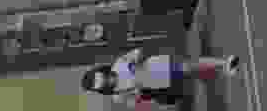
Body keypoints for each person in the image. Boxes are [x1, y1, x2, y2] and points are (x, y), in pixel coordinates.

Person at [77, 49, 236, 95]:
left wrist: (136, 62)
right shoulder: (118, 91)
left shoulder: (119, 64)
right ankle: (222, 68)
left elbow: (139, 52)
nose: (107, 81)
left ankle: (224, 62)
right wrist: (137, 92)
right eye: (103, 84)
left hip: (160, 66)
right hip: (160, 82)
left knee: (189, 66)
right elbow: (136, 97)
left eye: (104, 78)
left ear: (102, 73)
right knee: (192, 72)